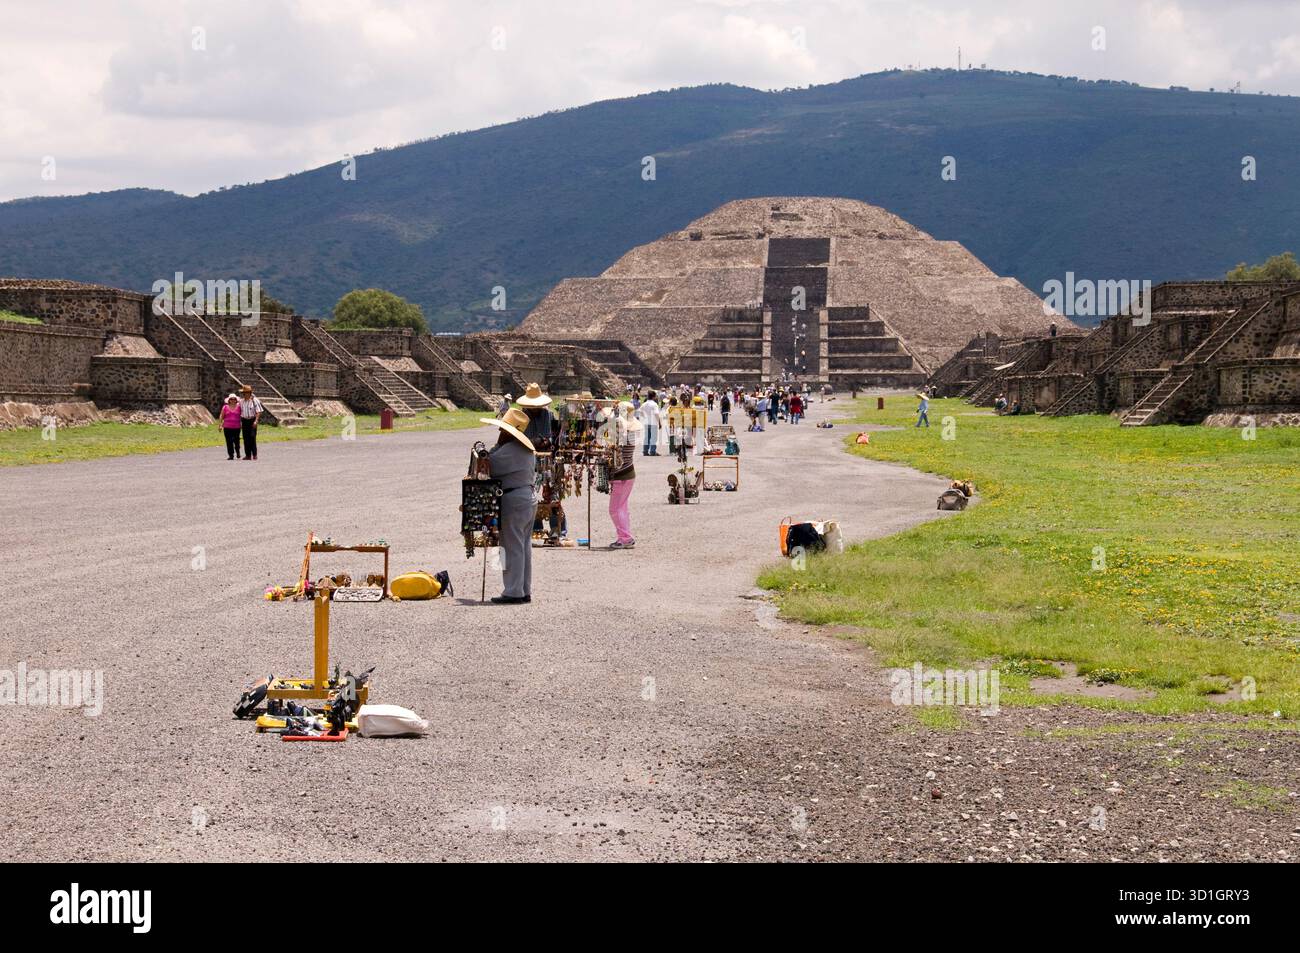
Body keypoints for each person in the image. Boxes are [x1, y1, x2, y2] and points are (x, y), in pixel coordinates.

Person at [481, 407, 536, 604]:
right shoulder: (525, 449)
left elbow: (489, 466)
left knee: (510, 546)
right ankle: (523, 588)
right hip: (527, 498)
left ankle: (513, 591)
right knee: (523, 546)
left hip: (514, 500)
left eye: (502, 430)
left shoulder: (510, 451)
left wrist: (496, 446)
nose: (499, 433)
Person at [607, 402, 640, 549]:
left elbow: (615, 457)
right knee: (622, 507)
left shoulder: (622, 436)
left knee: (614, 509)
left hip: (622, 475)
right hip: (629, 473)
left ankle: (625, 538)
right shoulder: (630, 434)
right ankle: (624, 536)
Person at [238, 384, 263, 461]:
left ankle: (254, 454)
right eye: (244, 393)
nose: (245, 394)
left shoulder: (254, 400)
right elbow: (239, 411)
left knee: (252, 437)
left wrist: (256, 421)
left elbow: (259, 411)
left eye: (246, 392)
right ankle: (248, 455)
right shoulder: (241, 402)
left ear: (249, 393)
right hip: (244, 420)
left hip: (252, 420)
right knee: (246, 438)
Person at [218, 393, 242, 459]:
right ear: (229, 400)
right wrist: (220, 425)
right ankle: (231, 455)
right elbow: (221, 416)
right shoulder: (225, 407)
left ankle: (238, 451)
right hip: (227, 427)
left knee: (236, 441)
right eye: (231, 399)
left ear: (236, 400)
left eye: (234, 399)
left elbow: (242, 415)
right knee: (229, 441)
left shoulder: (239, 407)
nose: (233, 400)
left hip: (237, 427)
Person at [639, 390, 660, 455]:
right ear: (654, 396)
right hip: (653, 422)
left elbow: (640, 412)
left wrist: (644, 417)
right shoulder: (654, 404)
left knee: (647, 437)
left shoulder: (644, 404)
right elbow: (656, 414)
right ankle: (652, 451)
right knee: (653, 437)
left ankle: (645, 451)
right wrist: (659, 422)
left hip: (646, 422)